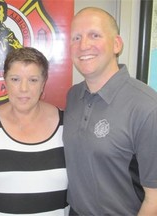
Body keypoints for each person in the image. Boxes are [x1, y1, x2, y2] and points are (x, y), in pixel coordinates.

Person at [63, 7, 157, 215]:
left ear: (116, 44)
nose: (83, 45)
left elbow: (154, 199)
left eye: (94, 35)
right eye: (76, 38)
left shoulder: (148, 107)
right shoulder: (73, 96)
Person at [0, 47, 69, 215]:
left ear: (43, 84)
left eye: (33, 80)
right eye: (15, 79)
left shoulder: (66, 125)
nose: (23, 88)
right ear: (5, 81)